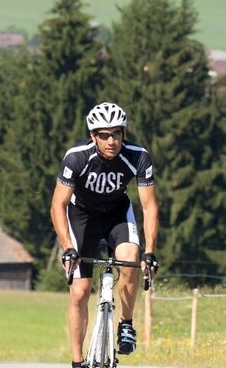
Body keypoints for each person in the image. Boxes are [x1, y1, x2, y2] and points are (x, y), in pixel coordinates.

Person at [50, 102, 160, 368]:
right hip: (82, 217)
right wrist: (68, 247)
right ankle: (78, 361)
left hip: (116, 214)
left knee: (130, 260)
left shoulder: (138, 157)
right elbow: (58, 205)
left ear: (123, 133)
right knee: (80, 292)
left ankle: (126, 323)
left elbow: (149, 207)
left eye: (117, 134)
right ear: (93, 136)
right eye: (104, 135)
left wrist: (150, 252)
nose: (112, 141)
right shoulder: (76, 157)